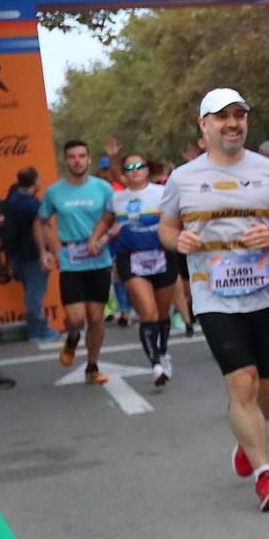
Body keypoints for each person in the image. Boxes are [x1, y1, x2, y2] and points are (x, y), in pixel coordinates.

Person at [159, 90, 269, 511]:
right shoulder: (182, 178)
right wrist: (178, 240)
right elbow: (166, 228)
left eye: (239, 115)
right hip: (213, 296)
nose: (232, 123)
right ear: (203, 126)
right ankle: (266, 475)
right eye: (222, 117)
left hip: (267, 292)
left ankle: (247, 438)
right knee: (242, 383)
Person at [96, 153, 179, 384]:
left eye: (139, 166)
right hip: (131, 260)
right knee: (148, 313)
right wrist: (95, 238)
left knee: (162, 314)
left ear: (147, 169)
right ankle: (156, 365)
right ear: (123, 173)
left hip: (163, 257)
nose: (134, 170)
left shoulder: (163, 193)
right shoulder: (117, 198)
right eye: (129, 167)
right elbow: (106, 220)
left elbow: (180, 219)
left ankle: (163, 352)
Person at [37, 139, 114, 384]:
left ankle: (92, 366)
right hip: (70, 262)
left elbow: (115, 219)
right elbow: (41, 222)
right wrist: (49, 250)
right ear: (66, 160)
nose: (77, 160)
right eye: (72, 157)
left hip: (99, 261)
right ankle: (72, 339)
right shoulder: (54, 191)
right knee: (77, 318)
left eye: (82, 156)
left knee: (96, 318)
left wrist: (101, 240)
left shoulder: (103, 188)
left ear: (89, 158)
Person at [0, 169, 51, 340]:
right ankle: (38, 330)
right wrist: (49, 251)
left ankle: (36, 328)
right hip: (32, 255)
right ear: (34, 181)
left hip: (15, 256)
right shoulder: (31, 204)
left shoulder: (13, 199)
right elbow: (43, 227)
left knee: (30, 293)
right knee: (35, 294)